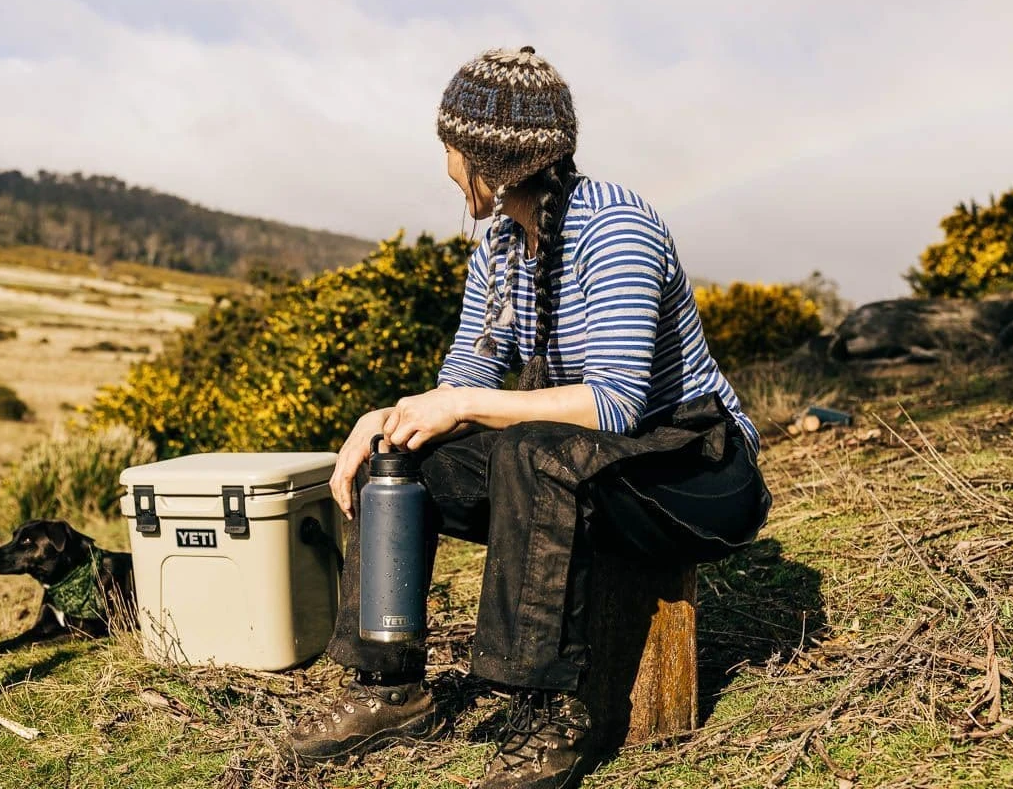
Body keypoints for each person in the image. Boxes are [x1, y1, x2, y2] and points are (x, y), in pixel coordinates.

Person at [290, 46, 773, 789]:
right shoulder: (501, 245)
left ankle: (547, 714)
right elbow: (466, 380)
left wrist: (464, 405)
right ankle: (391, 687)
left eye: (450, 149)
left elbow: (615, 404)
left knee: (531, 454)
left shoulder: (616, 227)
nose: (447, 166)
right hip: (591, 461)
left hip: (696, 468)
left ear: (490, 162)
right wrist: (386, 419)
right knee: (405, 459)